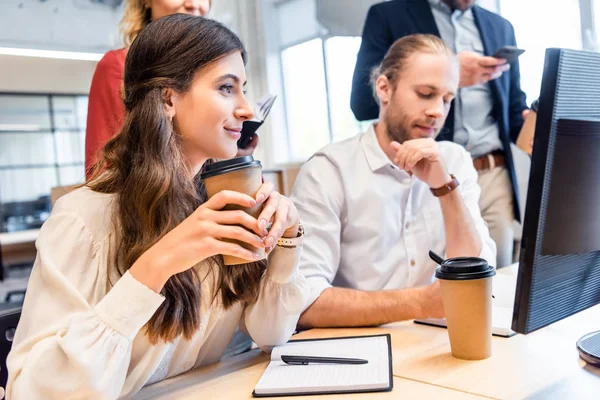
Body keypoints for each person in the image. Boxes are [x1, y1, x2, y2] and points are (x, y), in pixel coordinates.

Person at [7, 15, 307, 399]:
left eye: (243, 89)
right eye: (226, 88)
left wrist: (289, 239)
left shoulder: (220, 201)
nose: (248, 109)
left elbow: (271, 334)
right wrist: (155, 266)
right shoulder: (82, 218)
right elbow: (31, 391)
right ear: (168, 98)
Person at [292, 34, 495, 329]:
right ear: (384, 88)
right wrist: (424, 302)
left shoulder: (454, 160)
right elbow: (303, 303)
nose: (438, 111)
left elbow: (476, 276)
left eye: (447, 99)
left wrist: (445, 188)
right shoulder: (329, 170)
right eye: (426, 94)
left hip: (433, 340)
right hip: (358, 346)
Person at [350, 0, 528, 268]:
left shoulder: (500, 26)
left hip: (493, 175)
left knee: (491, 278)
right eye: (425, 94)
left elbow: (514, 111)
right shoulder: (389, 15)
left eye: (446, 97)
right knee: (427, 269)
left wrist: (538, 125)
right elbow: (362, 103)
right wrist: (450, 71)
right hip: (425, 171)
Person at [85, 0, 261, 178]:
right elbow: (101, 165)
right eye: (226, 87)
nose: (194, 4)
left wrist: (233, 155)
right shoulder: (116, 66)